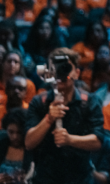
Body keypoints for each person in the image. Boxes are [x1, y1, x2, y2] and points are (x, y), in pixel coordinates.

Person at [24, 48, 104, 184]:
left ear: (77, 73)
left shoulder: (90, 101)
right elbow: (29, 143)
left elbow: (98, 141)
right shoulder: (39, 102)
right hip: (45, 176)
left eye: (65, 68)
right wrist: (49, 119)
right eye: (54, 69)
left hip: (80, 177)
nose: (60, 73)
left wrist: (70, 140)